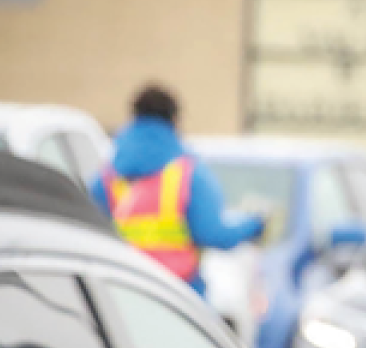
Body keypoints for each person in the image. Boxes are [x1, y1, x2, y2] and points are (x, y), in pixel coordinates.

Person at [89, 84, 265, 295]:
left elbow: (91, 234)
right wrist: (254, 225)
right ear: (174, 120)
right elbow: (213, 234)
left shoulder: (107, 176)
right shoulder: (190, 174)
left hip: (124, 293)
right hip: (179, 297)